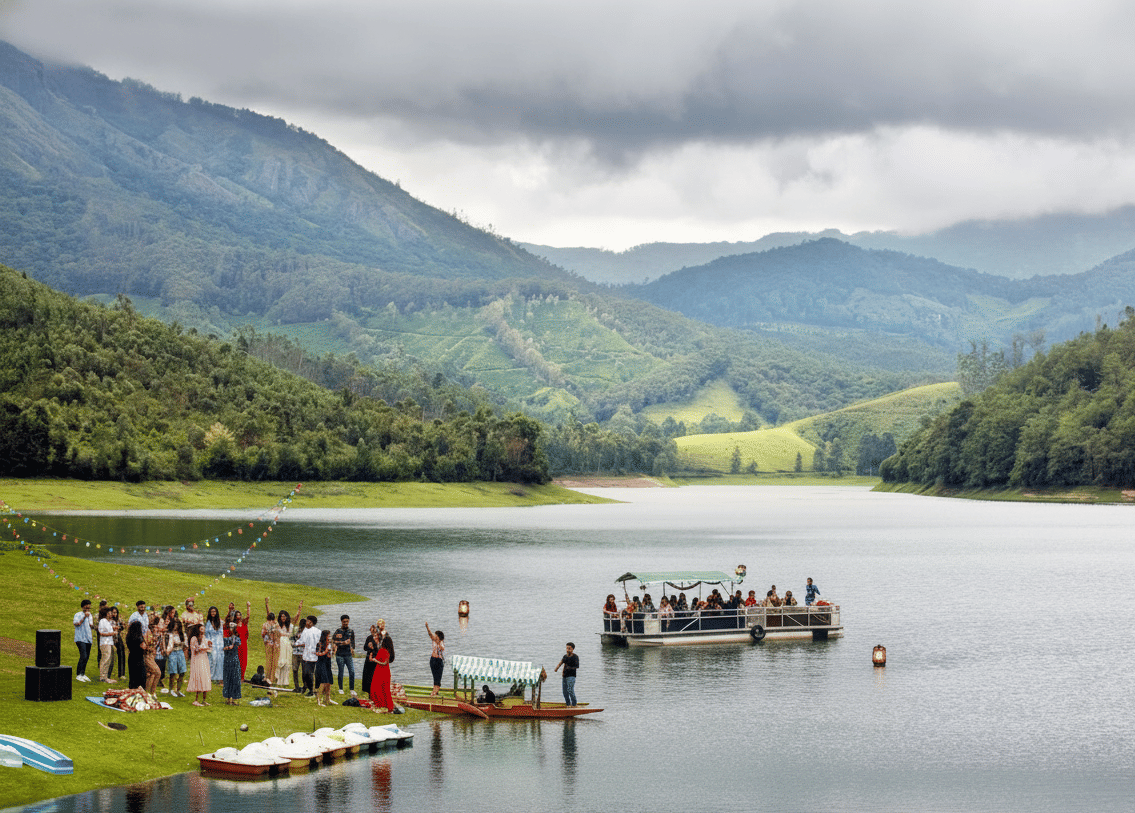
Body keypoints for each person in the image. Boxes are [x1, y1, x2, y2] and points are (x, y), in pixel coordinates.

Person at [186, 623, 212, 706]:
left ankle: (204, 699)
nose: (203, 631)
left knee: (205, 677)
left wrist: (209, 645)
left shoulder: (204, 638)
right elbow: (195, 650)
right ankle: (196, 699)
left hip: (204, 659)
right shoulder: (194, 638)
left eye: (203, 629)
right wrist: (203, 648)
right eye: (201, 629)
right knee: (199, 677)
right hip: (197, 660)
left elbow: (208, 648)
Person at [368, 636, 394, 712]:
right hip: (386, 671)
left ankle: (379, 703)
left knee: (377, 687)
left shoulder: (382, 650)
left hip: (380, 670)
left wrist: (375, 660)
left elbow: (384, 663)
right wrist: (373, 659)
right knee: (385, 688)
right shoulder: (388, 651)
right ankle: (386, 704)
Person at [332, 614, 356, 695]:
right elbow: (333, 641)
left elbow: (353, 643)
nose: (345, 623)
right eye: (344, 622)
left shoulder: (351, 631)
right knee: (341, 672)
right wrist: (343, 643)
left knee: (352, 672)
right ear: (341, 622)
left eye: (347, 621)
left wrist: (352, 649)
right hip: (340, 654)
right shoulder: (338, 631)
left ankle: (352, 689)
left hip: (348, 654)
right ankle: (340, 688)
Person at [164, 616, 187, 697]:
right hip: (172, 652)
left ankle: (178, 690)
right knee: (173, 672)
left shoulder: (182, 634)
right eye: (174, 623)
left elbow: (185, 645)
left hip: (180, 652)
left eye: (177, 624)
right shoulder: (169, 634)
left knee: (182, 672)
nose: (176, 625)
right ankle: (171, 690)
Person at [299, 615, 321, 697]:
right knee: (304, 673)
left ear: (311, 623)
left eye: (308, 621)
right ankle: (305, 687)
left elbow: (320, 643)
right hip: (305, 655)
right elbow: (302, 641)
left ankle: (311, 690)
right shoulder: (305, 630)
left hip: (312, 656)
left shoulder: (317, 631)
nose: (306, 623)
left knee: (309, 673)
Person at [73, 599, 94, 683]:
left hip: (88, 638)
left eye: (89, 607)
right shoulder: (78, 614)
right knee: (83, 655)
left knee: (87, 657)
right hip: (80, 638)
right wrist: (84, 617)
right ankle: (78, 674)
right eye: (86, 607)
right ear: (83, 607)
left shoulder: (90, 615)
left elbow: (91, 625)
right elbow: (76, 623)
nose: (88, 608)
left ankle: (83, 673)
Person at [222, 621, 242, 705]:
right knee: (227, 678)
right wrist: (227, 648)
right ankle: (228, 698)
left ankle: (234, 698)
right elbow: (222, 648)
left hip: (234, 660)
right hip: (228, 659)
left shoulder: (237, 639)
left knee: (235, 679)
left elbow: (237, 645)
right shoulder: (225, 639)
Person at [96, 606, 117, 683]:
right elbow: (101, 633)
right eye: (109, 613)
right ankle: (102, 677)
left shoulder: (107, 622)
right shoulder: (103, 621)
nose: (110, 614)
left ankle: (105, 677)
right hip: (105, 643)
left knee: (108, 660)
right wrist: (112, 633)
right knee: (105, 659)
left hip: (109, 643)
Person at [554, 642, 579, 707]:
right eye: (567, 648)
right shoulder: (565, 656)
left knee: (570, 690)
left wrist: (569, 668)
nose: (568, 650)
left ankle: (574, 704)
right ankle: (568, 704)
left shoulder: (575, 657)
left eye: (569, 649)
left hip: (571, 676)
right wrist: (556, 668)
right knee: (565, 691)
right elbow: (561, 662)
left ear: (573, 649)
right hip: (565, 676)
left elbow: (577, 666)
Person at [204, 606, 224, 683]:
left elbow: (222, 633)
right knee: (212, 659)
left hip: (219, 643)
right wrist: (208, 642)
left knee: (220, 659)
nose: (213, 613)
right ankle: (210, 676)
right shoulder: (208, 623)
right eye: (212, 611)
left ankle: (219, 677)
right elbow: (206, 634)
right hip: (211, 643)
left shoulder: (220, 622)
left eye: (214, 611)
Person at [314, 630, 335, 706]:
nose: (330, 637)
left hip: (327, 663)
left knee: (329, 682)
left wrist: (333, 651)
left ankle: (327, 699)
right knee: (323, 681)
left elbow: (330, 655)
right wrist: (325, 651)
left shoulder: (329, 644)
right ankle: (319, 700)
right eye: (328, 636)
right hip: (321, 663)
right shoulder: (319, 644)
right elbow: (317, 653)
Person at [426, 622, 445, 696]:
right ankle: (434, 691)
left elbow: (442, 648)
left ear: (438, 636)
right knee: (434, 676)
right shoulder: (433, 640)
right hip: (433, 659)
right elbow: (430, 633)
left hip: (439, 660)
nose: (434, 635)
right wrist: (427, 626)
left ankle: (435, 691)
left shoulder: (441, 642)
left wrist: (438, 642)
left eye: (435, 635)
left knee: (438, 676)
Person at [275, 610, 294, 687]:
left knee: (287, 662)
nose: (283, 618)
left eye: (284, 616)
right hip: (280, 644)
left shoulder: (290, 626)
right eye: (282, 616)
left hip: (287, 645)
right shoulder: (278, 625)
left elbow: (289, 634)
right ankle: (278, 679)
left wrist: (284, 634)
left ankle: (285, 681)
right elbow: (279, 634)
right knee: (280, 661)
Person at [126, 620, 146, 689]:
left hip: (131, 656)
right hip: (139, 657)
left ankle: (132, 689)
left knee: (133, 676)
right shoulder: (139, 638)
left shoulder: (129, 636)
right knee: (141, 676)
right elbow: (144, 646)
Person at [261, 609, 278, 687]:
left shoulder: (265, 624)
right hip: (275, 644)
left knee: (268, 661)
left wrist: (266, 641)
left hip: (268, 644)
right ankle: (273, 677)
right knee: (274, 661)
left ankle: (268, 677)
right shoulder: (276, 624)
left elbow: (263, 634)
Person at [362, 624, 379, 699]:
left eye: (374, 631)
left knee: (373, 676)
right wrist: (368, 646)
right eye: (371, 631)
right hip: (368, 659)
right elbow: (364, 648)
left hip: (375, 658)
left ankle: (374, 693)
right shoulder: (369, 638)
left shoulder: (379, 638)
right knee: (367, 676)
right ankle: (369, 693)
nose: (372, 632)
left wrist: (373, 647)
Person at [110, 606, 126, 680]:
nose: (114, 614)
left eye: (116, 612)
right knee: (110, 657)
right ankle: (107, 673)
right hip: (110, 638)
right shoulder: (108, 620)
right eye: (113, 612)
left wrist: (119, 627)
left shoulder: (118, 620)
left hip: (117, 637)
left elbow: (123, 626)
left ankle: (121, 674)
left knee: (122, 654)